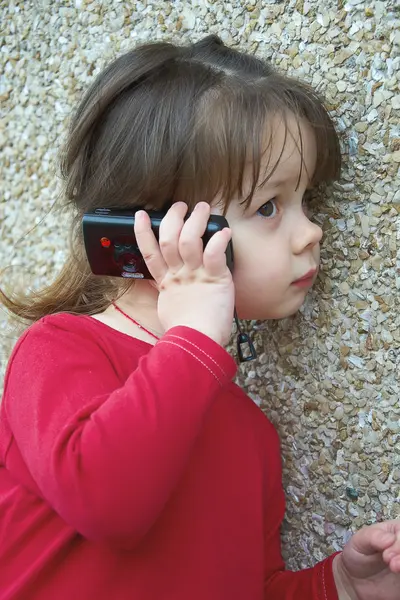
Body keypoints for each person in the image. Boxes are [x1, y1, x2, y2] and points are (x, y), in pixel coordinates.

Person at [0, 34, 399, 600]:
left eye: (307, 200)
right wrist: (191, 336)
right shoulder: (59, 350)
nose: (311, 231)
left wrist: (341, 585)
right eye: (269, 207)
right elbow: (108, 502)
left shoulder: (249, 429)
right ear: (161, 227)